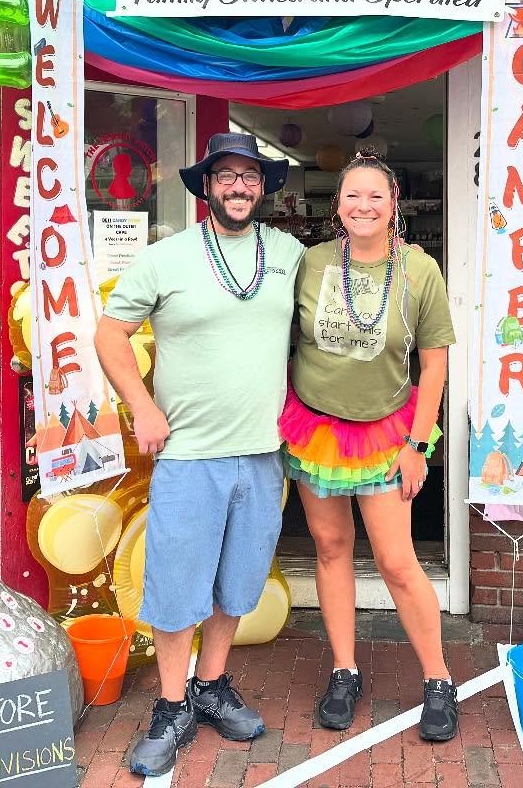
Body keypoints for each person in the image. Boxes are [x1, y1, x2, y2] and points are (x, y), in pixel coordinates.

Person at [96, 133, 304, 778]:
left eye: (249, 176)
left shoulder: (291, 253)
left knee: (236, 582)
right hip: (189, 454)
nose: (239, 187)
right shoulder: (166, 258)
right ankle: (171, 701)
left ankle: (211, 684)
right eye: (227, 176)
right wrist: (142, 405)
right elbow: (109, 332)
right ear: (206, 186)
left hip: (263, 453)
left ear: (263, 187)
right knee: (175, 585)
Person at [279, 150, 460, 741]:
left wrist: (418, 445)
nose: (363, 206)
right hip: (316, 428)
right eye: (352, 196)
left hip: (387, 432)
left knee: (396, 560)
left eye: (375, 196)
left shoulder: (419, 270)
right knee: (330, 549)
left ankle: (437, 678)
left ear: (393, 205)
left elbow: (433, 366)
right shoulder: (309, 263)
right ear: (337, 206)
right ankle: (344, 669)